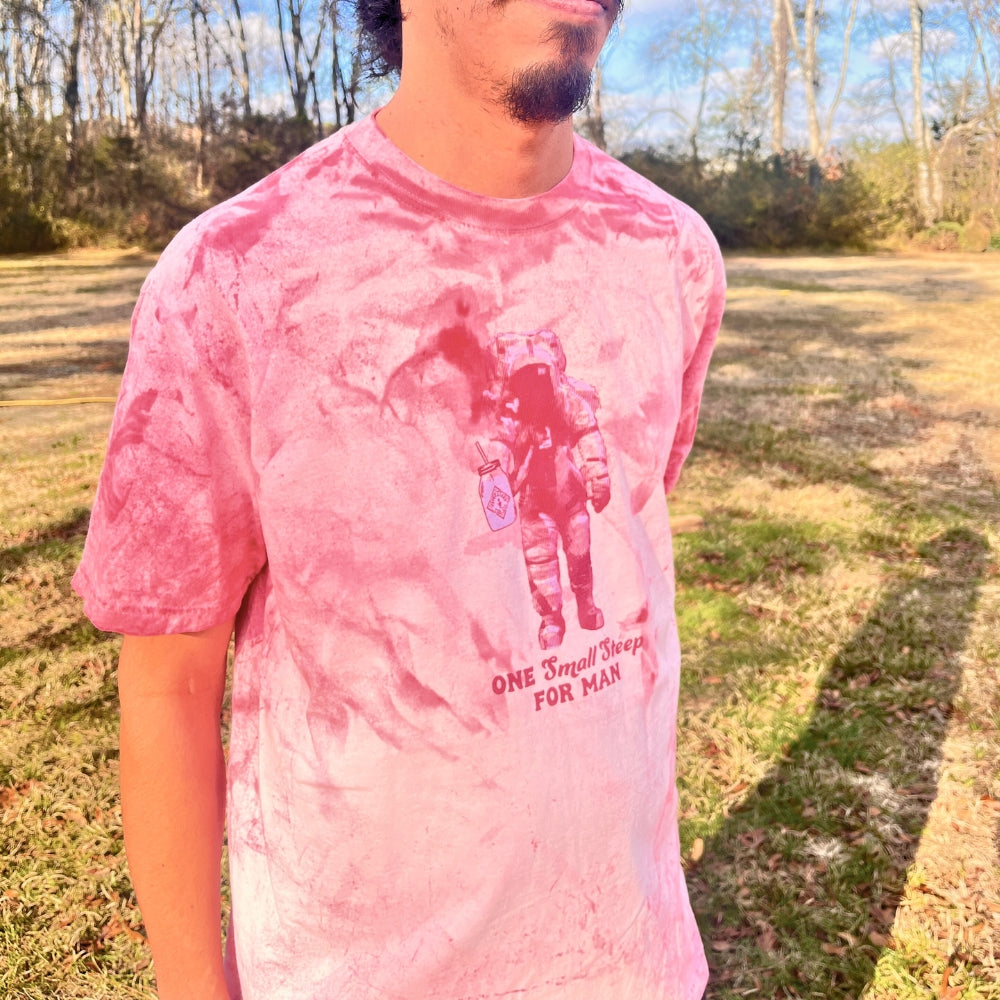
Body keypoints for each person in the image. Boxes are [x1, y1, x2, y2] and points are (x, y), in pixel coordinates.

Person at [73, 0, 726, 994]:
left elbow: (621, 506)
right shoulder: (232, 279)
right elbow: (166, 684)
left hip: (630, 961)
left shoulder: (671, 254)